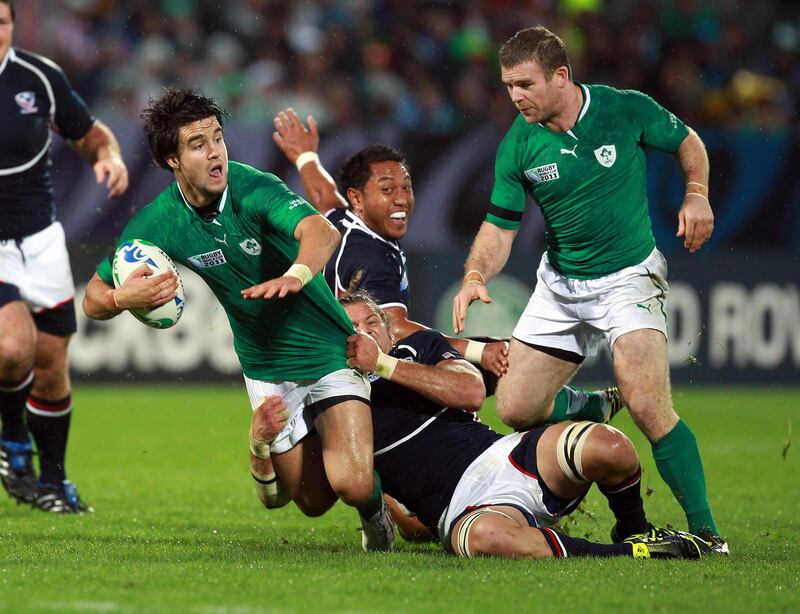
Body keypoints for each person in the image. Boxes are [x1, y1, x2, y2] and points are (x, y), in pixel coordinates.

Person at [451, 26, 726, 553]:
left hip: (628, 278)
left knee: (646, 404)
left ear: (561, 76)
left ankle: (708, 533)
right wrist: (474, 276)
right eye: (508, 85)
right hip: (560, 284)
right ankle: (592, 408)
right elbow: (500, 228)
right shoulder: (519, 143)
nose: (515, 96)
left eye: (525, 84)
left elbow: (687, 141)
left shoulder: (623, 109)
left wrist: (696, 193)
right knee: (516, 408)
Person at [82, 88, 393, 551]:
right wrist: (122, 297)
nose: (215, 152)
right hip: (264, 364)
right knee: (308, 502)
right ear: (172, 160)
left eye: (217, 138)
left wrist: (294, 275)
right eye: (198, 144)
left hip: (328, 346)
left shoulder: (253, 187)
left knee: (352, 484)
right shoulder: (159, 222)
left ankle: (376, 514)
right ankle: (263, 444)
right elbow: (92, 300)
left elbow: (321, 231)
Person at [251, 291, 711, 560]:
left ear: (390, 330)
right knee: (490, 539)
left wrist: (385, 365)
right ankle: (636, 555)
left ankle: (633, 528)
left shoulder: (418, 348)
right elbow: (289, 497)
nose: (367, 330)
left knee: (610, 446)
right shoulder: (332, 402)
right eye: (353, 326)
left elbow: (471, 392)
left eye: (374, 321)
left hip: (506, 455)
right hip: (461, 509)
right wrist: (260, 446)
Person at [273, 107, 621, 421]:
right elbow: (395, 329)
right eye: (387, 189)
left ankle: (579, 408)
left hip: (335, 368)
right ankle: (582, 413)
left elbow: (323, 194)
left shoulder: (343, 221)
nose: (401, 199)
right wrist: (479, 350)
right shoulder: (371, 257)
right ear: (358, 198)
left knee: (503, 363)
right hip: (365, 373)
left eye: (406, 187)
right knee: (508, 362)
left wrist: (305, 156)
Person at [0, 0, 128, 513]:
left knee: (51, 364)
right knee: (13, 348)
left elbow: (89, 133)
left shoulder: (39, 78)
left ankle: (52, 481)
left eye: (1, 22)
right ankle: (13, 441)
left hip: (41, 239)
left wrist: (109, 156)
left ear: (13, 26)